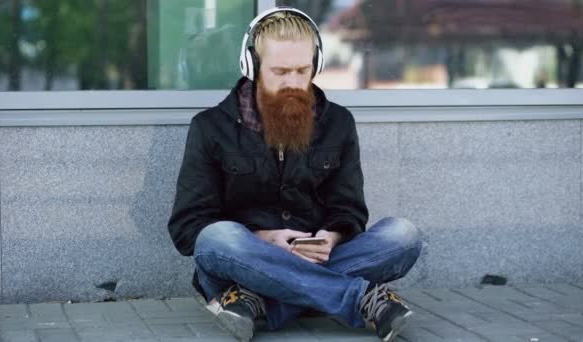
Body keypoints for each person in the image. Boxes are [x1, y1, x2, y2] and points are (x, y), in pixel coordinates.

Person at [168, 7, 422, 342]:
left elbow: (349, 210)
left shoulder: (339, 123)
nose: (293, 83)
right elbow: (188, 228)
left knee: (403, 236)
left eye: (302, 71)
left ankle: (255, 300)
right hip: (242, 259)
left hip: (313, 257)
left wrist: (330, 237)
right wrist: (264, 239)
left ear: (316, 65)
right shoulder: (209, 127)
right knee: (217, 238)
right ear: (252, 67)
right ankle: (361, 298)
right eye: (280, 71)